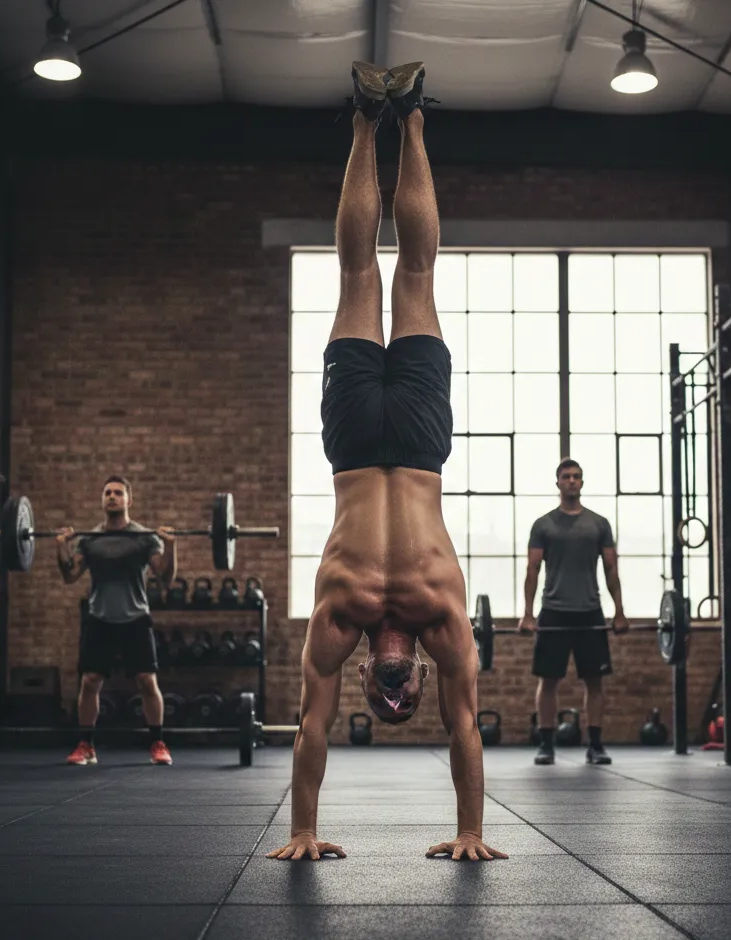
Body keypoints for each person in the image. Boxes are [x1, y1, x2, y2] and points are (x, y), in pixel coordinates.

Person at [267, 62, 507, 863]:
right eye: (410, 697)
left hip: (351, 450)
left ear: (367, 675)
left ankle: (370, 120)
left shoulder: (340, 619)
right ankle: (413, 123)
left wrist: (303, 829)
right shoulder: (443, 619)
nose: (399, 689)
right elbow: (466, 724)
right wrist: (472, 831)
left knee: (354, 273)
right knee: (416, 273)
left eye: (385, 694)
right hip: (420, 445)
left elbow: (309, 724)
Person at [56, 475, 176, 766]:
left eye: (118, 493)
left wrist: (171, 546)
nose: (112, 497)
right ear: (102, 500)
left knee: (147, 681)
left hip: (135, 617)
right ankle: (86, 745)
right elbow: (70, 575)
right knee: (90, 681)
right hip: (100, 618)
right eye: (107, 492)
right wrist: (61, 548)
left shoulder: (144, 536)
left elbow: (165, 577)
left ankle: (158, 743)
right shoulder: (90, 539)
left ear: (128, 501)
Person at [519, 459, 628, 766]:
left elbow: (611, 569)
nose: (571, 481)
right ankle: (547, 745)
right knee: (548, 680)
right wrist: (527, 614)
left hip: (590, 612)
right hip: (553, 612)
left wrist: (619, 612)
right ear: (558, 483)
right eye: (566, 476)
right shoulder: (543, 524)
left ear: (582, 482)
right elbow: (532, 569)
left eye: (576, 476)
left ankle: (595, 745)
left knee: (594, 681)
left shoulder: (599, 523)